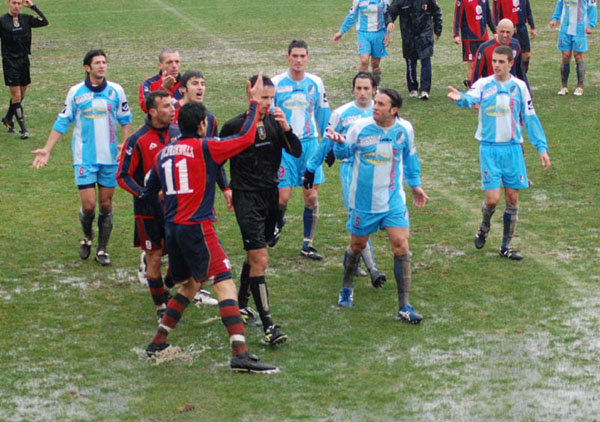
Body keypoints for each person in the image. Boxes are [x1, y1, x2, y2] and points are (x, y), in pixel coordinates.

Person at [143, 74, 278, 374]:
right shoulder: (207, 147)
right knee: (224, 282)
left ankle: (158, 341)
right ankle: (240, 353)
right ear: (203, 125)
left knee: (191, 283)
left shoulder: (164, 153)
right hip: (198, 227)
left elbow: (149, 190)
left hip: (173, 228)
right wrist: (254, 103)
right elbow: (245, 139)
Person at [328, 88, 428, 322]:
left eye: (381, 104)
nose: (375, 107)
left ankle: (404, 306)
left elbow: (410, 158)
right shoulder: (359, 128)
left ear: (394, 110)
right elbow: (343, 154)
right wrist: (340, 143)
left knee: (401, 246)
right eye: (376, 103)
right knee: (357, 245)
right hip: (363, 201)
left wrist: (415, 185)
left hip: (393, 199)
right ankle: (347, 287)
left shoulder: (405, 130)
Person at [220, 74, 302, 345]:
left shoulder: (275, 123)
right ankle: (269, 325)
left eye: (270, 97)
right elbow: (218, 160)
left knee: (254, 254)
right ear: (250, 95)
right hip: (247, 199)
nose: (268, 103)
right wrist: (226, 189)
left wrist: (287, 129)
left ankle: (241, 302)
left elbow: (296, 152)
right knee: (260, 258)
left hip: (270, 199)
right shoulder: (234, 125)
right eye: (263, 97)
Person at [448, 45, 551, 260]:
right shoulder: (484, 84)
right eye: (494, 61)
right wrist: (461, 99)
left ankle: (506, 246)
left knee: (512, 199)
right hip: (490, 149)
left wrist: (541, 148)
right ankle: (483, 228)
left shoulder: (520, 87)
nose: (496, 65)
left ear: (511, 64)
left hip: (513, 150)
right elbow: (472, 98)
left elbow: (530, 118)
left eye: (501, 61)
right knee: (493, 199)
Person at [31, 49, 132, 266]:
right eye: (97, 62)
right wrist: (47, 149)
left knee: (106, 205)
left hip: (110, 159)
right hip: (84, 158)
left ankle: (102, 249)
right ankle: (87, 238)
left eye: (104, 62)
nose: (102, 66)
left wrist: (126, 144)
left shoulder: (116, 91)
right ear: (87, 67)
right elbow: (62, 121)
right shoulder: (75, 92)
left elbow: (125, 119)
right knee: (89, 206)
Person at [304, 72, 386, 288]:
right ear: (353, 90)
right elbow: (326, 141)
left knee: (373, 218)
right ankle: (374, 269)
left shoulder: (381, 111)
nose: (362, 93)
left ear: (374, 89)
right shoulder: (341, 114)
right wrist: (312, 166)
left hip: (377, 171)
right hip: (351, 170)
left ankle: (352, 257)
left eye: (366, 88)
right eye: (358, 88)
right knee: (358, 216)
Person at [116, 91, 180, 323]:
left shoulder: (178, 133)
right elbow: (122, 176)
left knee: (180, 253)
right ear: (152, 112)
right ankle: (161, 307)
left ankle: (166, 286)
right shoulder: (137, 140)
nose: (172, 110)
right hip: (149, 211)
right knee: (154, 256)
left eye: (172, 105)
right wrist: (148, 194)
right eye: (166, 106)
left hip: (178, 208)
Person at [272, 39, 331, 260]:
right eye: (294, 56)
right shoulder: (277, 83)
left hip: (309, 147)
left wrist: (329, 144)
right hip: (285, 147)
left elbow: (323, 113)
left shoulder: (315, 83)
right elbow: (269, 114)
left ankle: (308, 244)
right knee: (282, 199)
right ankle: (277, 223)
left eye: (302, 56)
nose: (298, 60)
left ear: (307, 58)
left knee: (311, 198)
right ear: (287, 57)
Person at [0, 0, 48, 139]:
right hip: (10, 62)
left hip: (24, 60)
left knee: (21, 94)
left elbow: (44, 21)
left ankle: (8, 118)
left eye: (19, 3)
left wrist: (33, 7)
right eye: (14, 2)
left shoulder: (26, 19)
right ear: (8, 3)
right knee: (16, 96)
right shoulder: (2, 21)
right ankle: (24, 129)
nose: (16, 6)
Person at [385, 0, 442, 100]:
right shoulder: (401, 1)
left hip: (425, 34)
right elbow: (390, 11)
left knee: (426, 60)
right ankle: (412, 88)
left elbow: (437, 12)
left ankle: (425, 90)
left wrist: (437, 30)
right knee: (410, 61)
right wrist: (390, 22)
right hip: (408, 35)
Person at [333, 0, 391, 81]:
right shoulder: (358, 1)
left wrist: (387, 34)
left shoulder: (384, 1)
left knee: (375, 64)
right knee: (364, 61)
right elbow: (352, 15)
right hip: (363, 34)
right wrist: (341, 31)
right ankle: (360, 85)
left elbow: (388, 16)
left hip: (379, 34)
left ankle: (375, 86)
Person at [549, 0, 597, 96]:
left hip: (580, 29)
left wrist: (591, 25)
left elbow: (592, 8)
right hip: (565, 29)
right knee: (565, 56)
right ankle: (564, 87)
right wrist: (555, 18)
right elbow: (560, 4)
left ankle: (580, 87)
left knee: (578, 55)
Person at [453, 0, 496, 88]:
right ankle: (472, 89)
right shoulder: (462, 1)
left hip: (484, 37)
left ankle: (484, 87)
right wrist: (456, 34)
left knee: (485, 63)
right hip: (469, 38)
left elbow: (488, 15)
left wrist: (494, 31)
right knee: (472, 65)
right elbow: (457, 17)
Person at [471, 19, 526, 86]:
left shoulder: (516, 45)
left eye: (508, 32)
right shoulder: (484, 48)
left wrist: (528, 92)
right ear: (497, 30)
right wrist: (472, 92)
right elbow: (476, 73)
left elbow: (520, 71)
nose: (505, 35)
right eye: (502, 31)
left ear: (513, 31)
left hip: (510, 91)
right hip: (490, 91)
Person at [493, 0, 536, 76]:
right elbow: (496, 12)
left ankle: (521, 75)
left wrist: (532, 26)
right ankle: (508, 75)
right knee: (508, 54)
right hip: (507, 30)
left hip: (521, 27)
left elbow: (527, 8)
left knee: (526, 55)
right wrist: (496, 31)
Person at [138, 48, 183, 112]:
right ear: (160, 65)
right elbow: (146, 108)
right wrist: (163, 89)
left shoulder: (187, 83)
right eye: (169, 62)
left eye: (177, 62)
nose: (174, 65)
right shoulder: (148, 84)